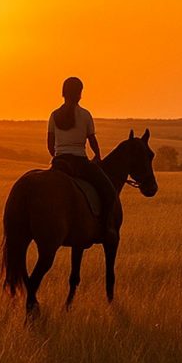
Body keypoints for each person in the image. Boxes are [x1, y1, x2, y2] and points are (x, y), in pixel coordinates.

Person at [47, 77, 118, 240]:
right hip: (80, 162)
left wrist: (57, 157)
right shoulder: (85, 115)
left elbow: (50, 145)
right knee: (108, 190)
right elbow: (92, 140)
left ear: (63, 93)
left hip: (59, 162)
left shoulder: (54, 115)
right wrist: (98, 156)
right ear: (79, 94)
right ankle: (106, 227)